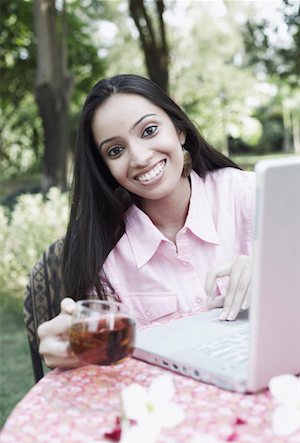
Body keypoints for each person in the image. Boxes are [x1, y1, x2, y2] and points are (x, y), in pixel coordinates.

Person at [38, 74, 255, 369]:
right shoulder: (105, 256)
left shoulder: (247, 194)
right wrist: (76, 352)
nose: (139, 157)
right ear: (106, 169)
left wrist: (279, 270)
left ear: (180, 130)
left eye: (149, 130)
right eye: (115, 150)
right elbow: (103, 358)